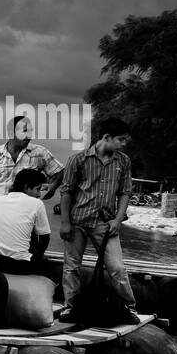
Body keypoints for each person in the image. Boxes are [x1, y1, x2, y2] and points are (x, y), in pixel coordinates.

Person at [57, 117, 137, 321]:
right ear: (106, 137)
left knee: (117, 268)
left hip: (105, 223)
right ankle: (70, 307)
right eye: (121, 139)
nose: (124, 144)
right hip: (78, 221)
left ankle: (129, 307)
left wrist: (118, 220)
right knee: (71, 266)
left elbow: (125, 192)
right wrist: (65, 222)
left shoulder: (123, 161)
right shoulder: (78, 159)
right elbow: (66, 192)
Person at [0, 116, 63, 235]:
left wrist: (53, 187)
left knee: (24, 249)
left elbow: (60, 171)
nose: (29, 136)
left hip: (26, 217)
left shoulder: (40, 153)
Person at [0, 168, 52, 276]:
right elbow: (45, 238)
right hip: (16, 265)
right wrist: (36, 258)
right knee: (48, 267)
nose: (39, 194)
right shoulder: (37, 204)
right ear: (26, 188)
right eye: (38, 189)